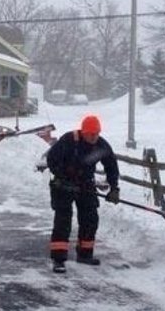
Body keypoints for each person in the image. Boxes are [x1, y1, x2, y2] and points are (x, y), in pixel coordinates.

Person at [41, 114, 119, 271]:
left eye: (97, 134)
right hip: (62, 185)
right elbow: (52, 159)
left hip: (85, 185)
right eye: (91, 134)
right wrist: (64, 176)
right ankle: (59, 259)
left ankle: (85, 255)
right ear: (83, 132)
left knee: (90, 219)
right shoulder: (69, 140)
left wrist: (114, 188)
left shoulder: (101, 146)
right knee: (63, 220)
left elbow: (111, 166)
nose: (94, 137)